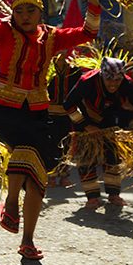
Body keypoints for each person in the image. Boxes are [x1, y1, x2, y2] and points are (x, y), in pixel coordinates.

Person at [0, 0, 101, 260]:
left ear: (41, 12)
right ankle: (11, 203)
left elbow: (89, 31)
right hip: (4, 108)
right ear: (13, 12)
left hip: (37, 110)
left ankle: (27, 239)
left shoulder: (52, 37)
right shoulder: (2, 30)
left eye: (31, 10)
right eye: (20, 10)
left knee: (39, 176)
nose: (25, 16)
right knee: (25, 152)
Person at [63, 57, 133, 208]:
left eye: (117, 82)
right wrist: (86, 126)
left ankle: (114, 195)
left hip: (110, 123)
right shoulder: (86, 82)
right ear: (102, 76)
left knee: (113, 158)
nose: (113, 85)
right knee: (86, 160)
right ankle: (92, 197)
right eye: (109, 81)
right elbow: (68, 105)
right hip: (85, 122)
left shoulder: (127, 84)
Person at [47, 52, 82, 187]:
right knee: (51, 144)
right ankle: (51, 175)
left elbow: (79, 90)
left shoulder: (75, 69)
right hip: (49, 112)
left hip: (68, 114)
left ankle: (64, 174)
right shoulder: (46, 66)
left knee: (66, 144)